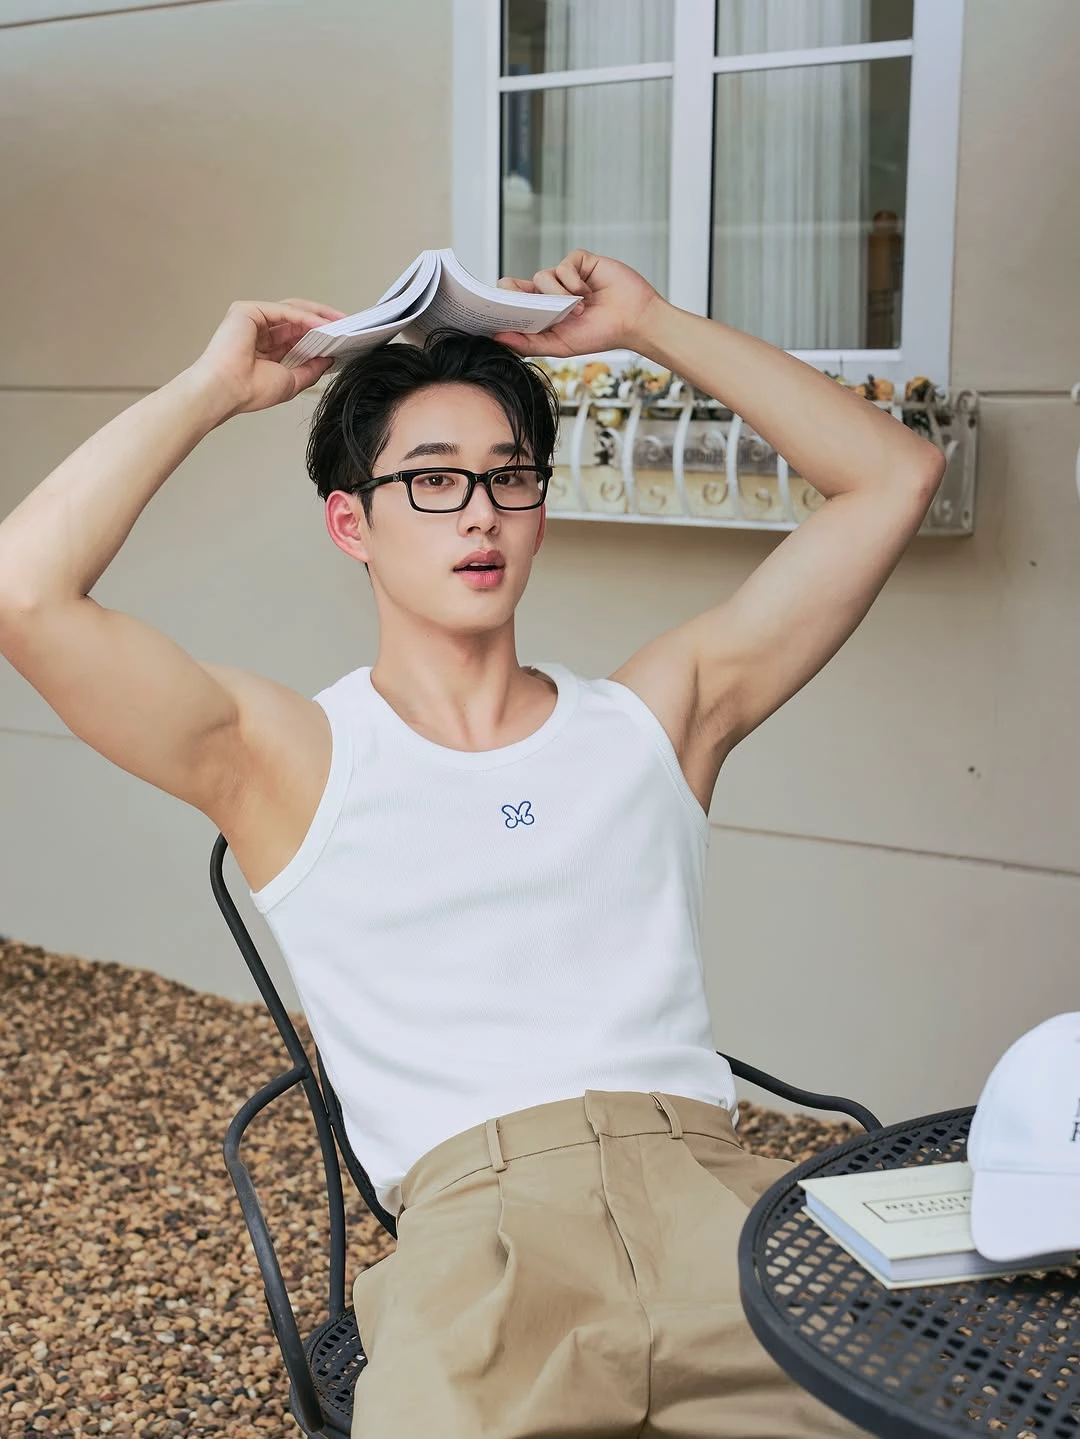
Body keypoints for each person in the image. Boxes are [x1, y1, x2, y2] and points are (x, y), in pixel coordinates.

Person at [0, 249, 943, 1438]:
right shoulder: (289, 758)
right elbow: (24, 593)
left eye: (509, 476)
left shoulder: (656, 717)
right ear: (351, 522)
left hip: (719, 1218)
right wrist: (212, 388)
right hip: (480, 1256)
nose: (482, 511)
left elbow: (893, 475)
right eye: (435, 480)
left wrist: (650, 325)